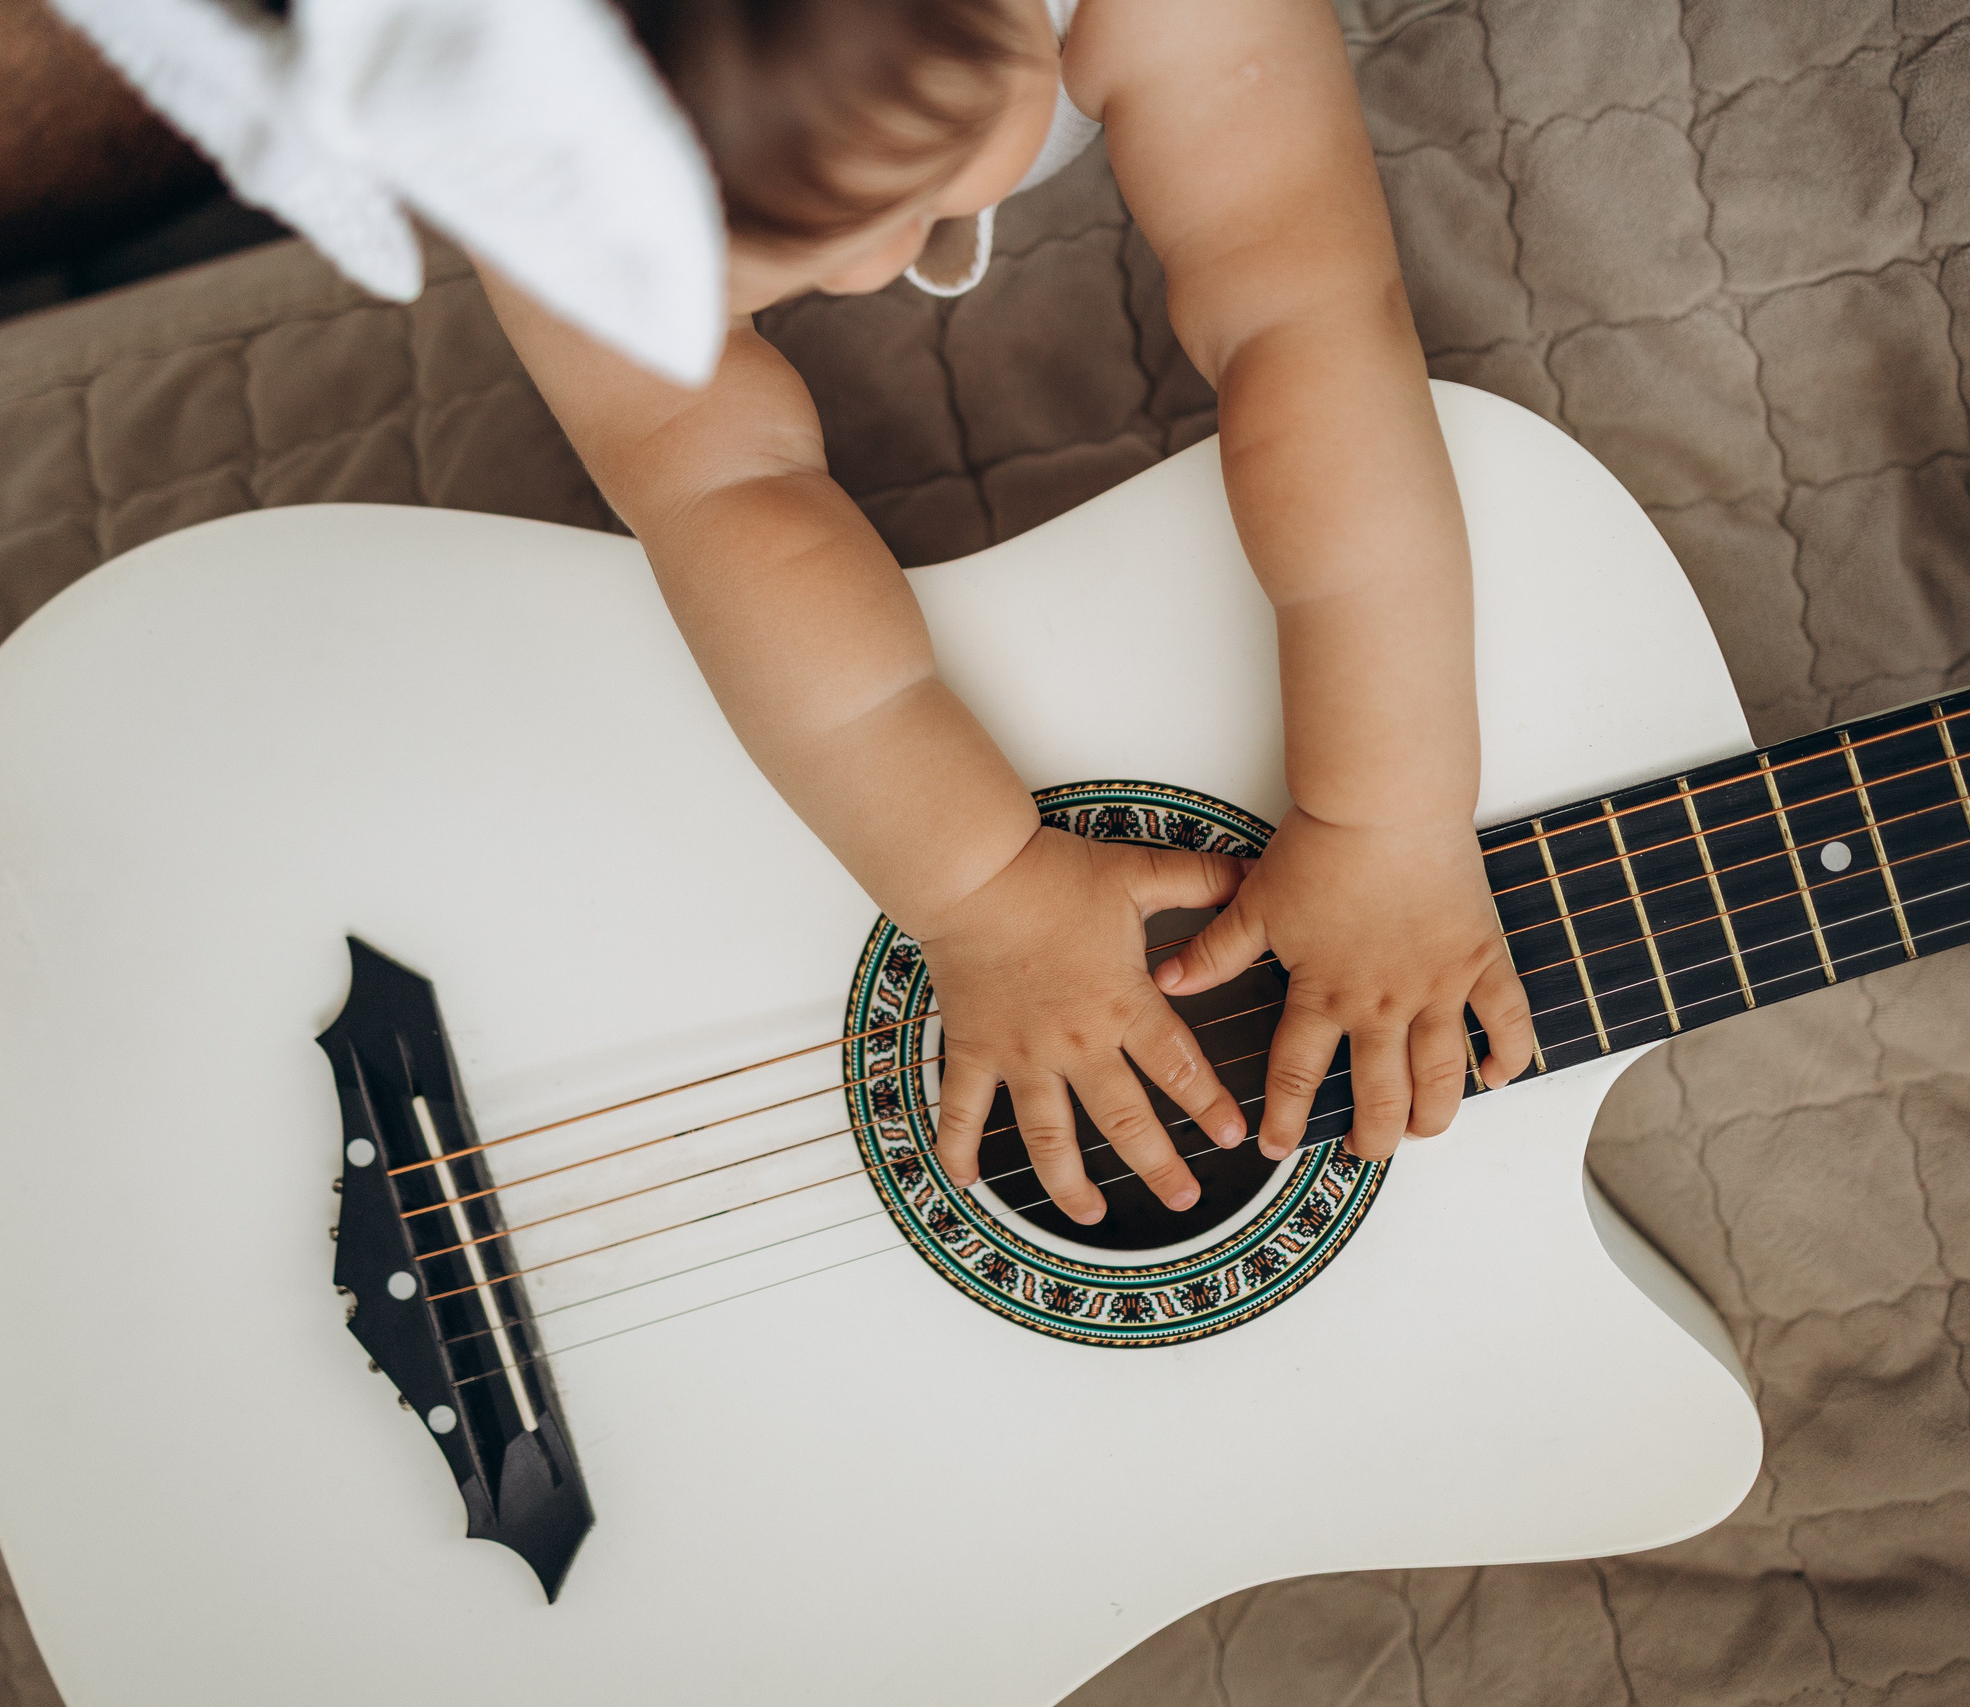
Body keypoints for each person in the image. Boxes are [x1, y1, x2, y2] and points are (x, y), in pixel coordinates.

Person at [483, 0, 1535, 1225]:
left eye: (918, 190)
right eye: (796, 250)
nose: (871, 272)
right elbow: (717, 493)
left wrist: (1390, 811)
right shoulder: (520, 132)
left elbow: (1301, 318)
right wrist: (977, 891)